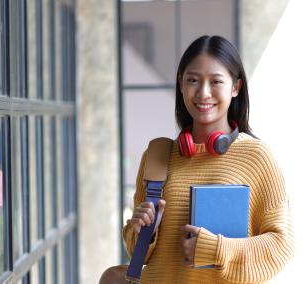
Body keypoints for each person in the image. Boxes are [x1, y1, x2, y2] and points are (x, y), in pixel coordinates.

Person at [122, 35, 294, 283]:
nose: (203, 93)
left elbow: (282, 244)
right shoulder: (157, 156)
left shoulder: (257, 158)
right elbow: (136, 253)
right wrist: (144, 231)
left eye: (216, 81)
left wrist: (216, 249)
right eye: (193, 80)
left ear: (235, 87)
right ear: (181, 84)